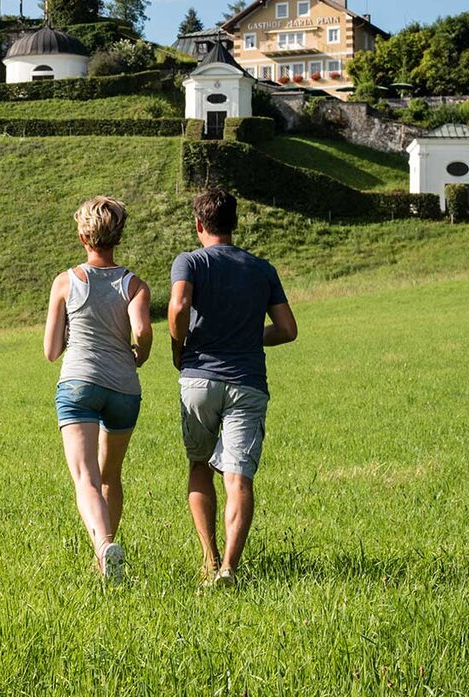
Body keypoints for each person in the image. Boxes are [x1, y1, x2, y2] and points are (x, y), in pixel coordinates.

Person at [168, 187, 297, 587]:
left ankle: (208, 560)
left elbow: (178, 306)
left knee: (199, 466)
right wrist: (248, 336)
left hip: (199, 378)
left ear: (198, 225)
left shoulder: (189, 261)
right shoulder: (262, 269)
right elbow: (287, 329)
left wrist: (178, 347)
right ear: (235, 223)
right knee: (238, 478)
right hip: (247, 382)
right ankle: (229, 567)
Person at [44, 196, 152, 583]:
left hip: (79, 385)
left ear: (82, 237)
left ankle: (105, 546)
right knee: (110, 475)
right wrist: (140, 353)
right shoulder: (134, 285)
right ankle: (104, 558)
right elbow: (141, 330)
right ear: (118, 236)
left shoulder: (65, 281)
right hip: (124, 388)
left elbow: (51, 351)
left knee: (86, 479)